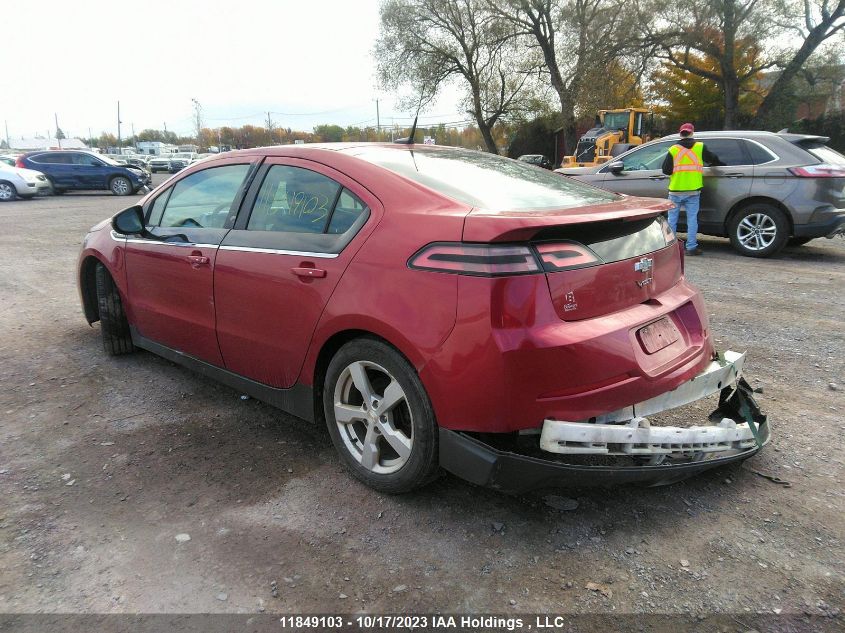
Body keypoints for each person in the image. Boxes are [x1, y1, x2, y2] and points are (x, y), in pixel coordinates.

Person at [661, 123, 723, 255]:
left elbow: (666, 170)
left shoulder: (673, 149)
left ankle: (670, 248)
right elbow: (714, 159)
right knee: (692, 219)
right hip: (693, 191)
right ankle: (691, 247)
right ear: (692, 133)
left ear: (680, 133)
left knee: (672, 220)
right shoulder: (700, 147)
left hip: (675, 190)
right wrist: (720, 165)